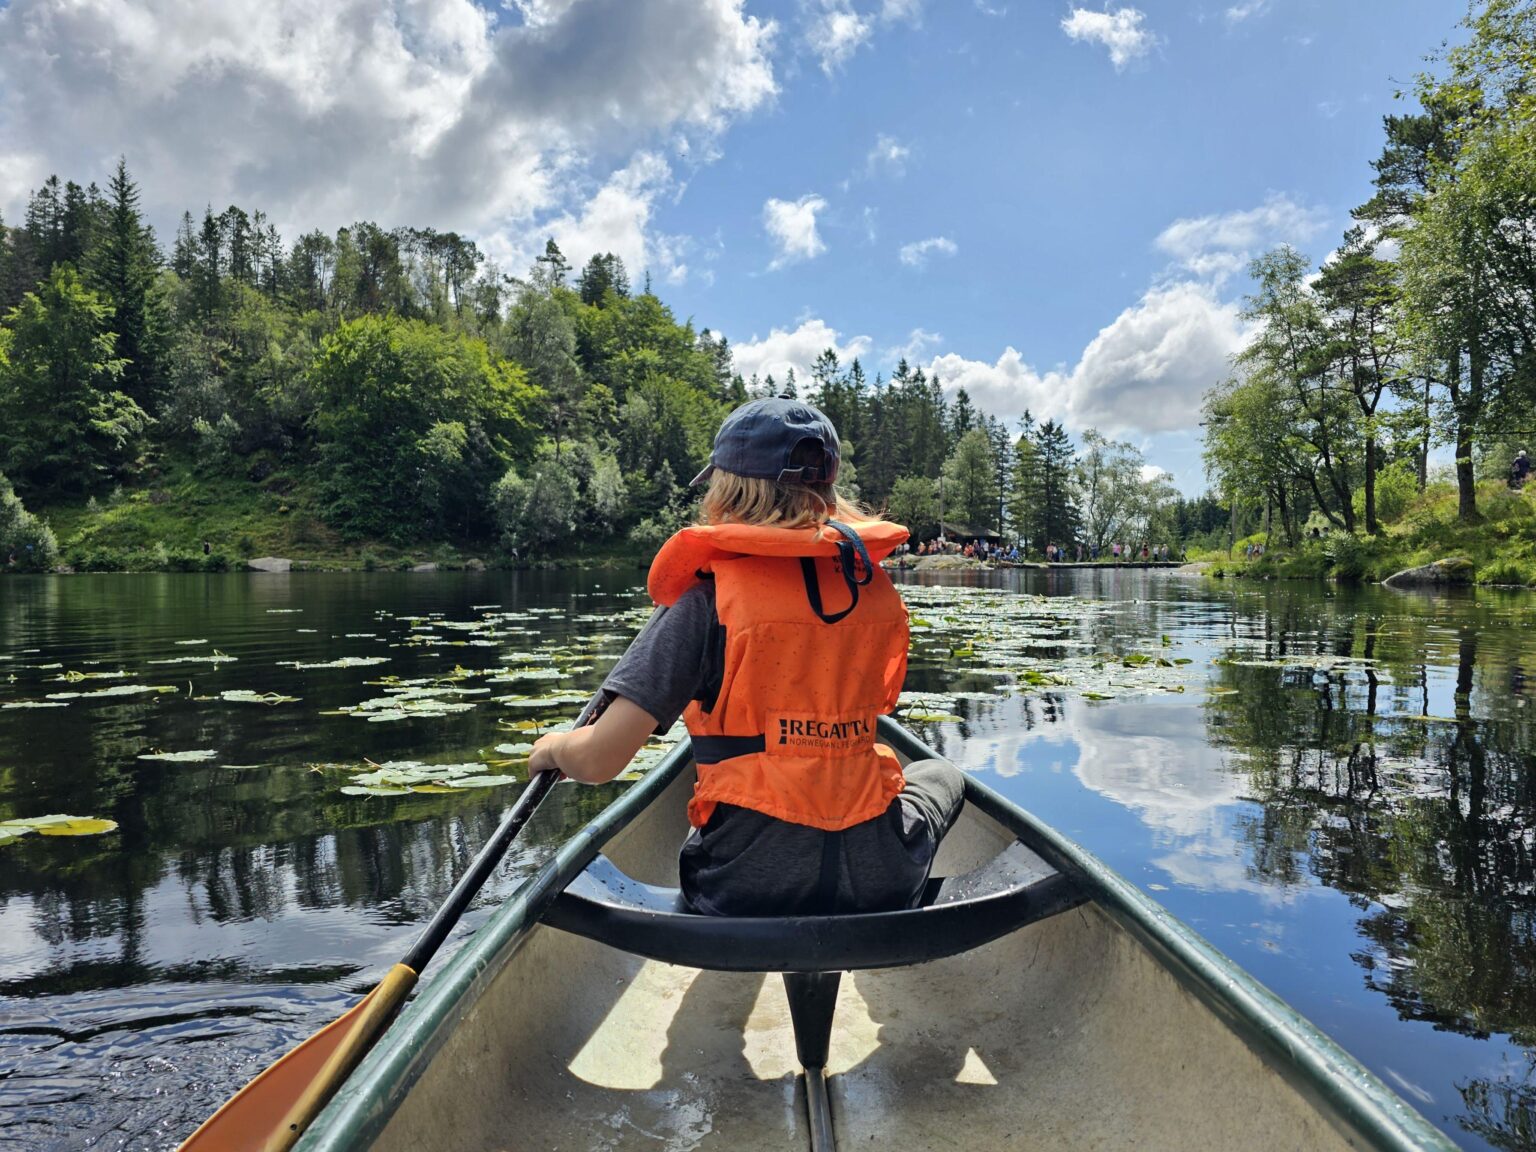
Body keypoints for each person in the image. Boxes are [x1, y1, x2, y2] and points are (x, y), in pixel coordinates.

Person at [528, 398, 965, 917]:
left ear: (726, 489)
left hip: (738, 887)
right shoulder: (867, 588)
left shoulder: (707, 600)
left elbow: (599, 760)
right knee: (943, 776)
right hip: (878, 878)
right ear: (828, 489)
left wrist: (554, 748)